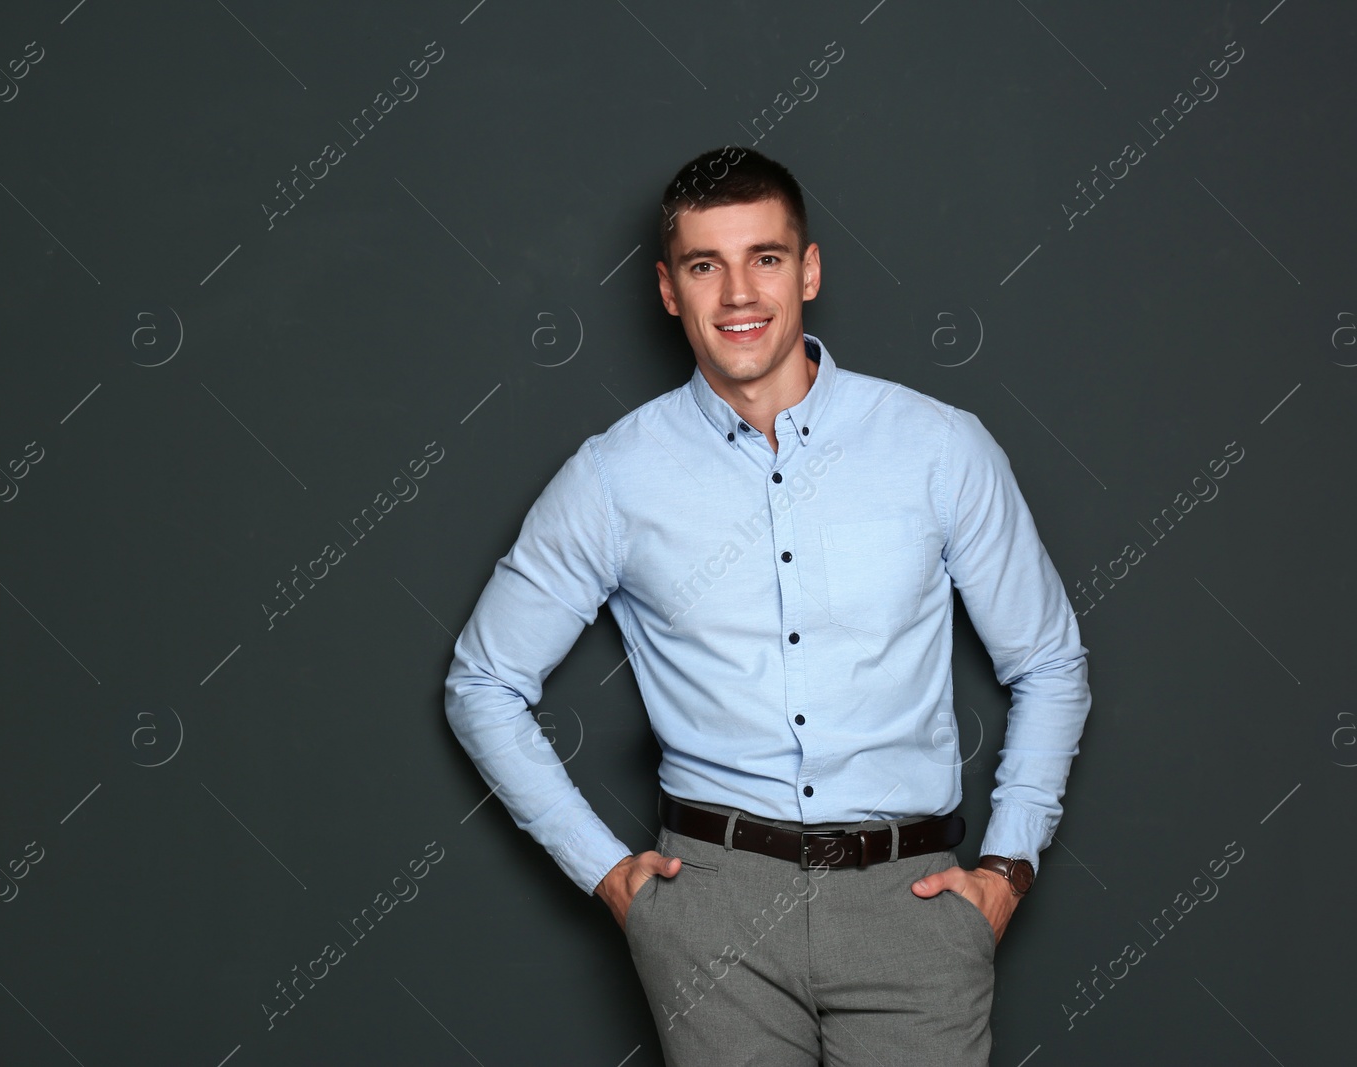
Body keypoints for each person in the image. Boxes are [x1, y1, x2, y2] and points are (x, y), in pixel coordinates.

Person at [443, 145, 1092, 1065]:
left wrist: (1008, 868)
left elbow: (1050, 663)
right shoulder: (614, 478)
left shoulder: (940, 448)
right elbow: (485, 682)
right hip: (714, 915)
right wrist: (609, 875)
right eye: (706, 265)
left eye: (766, 258)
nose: (739, 294)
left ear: (810, 270)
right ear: (670, 289)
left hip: (915, 910)